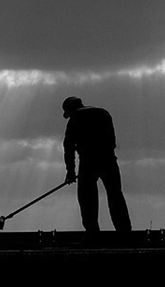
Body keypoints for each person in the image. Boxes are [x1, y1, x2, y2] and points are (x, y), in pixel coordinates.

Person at [62, 96, 131, 235]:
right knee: (115, 195)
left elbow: (68, 147)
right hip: (109, 160)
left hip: (88, 162)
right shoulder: (103, 113)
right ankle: (124, 231)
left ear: (70, 109)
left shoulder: (75, 118)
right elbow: (112, 140)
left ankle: (92, 232)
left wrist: (70, 171)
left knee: (87, 197)